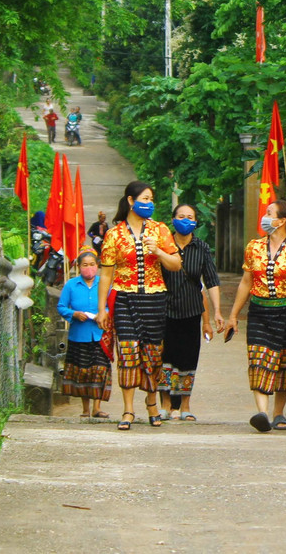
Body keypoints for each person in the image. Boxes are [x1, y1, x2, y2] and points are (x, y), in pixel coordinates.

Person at [95, 180, 182, 431]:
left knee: (153, 353)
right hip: (124, 297)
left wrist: (159, 252)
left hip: (154, 298)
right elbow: (106, 275)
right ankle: (128, 409)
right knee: (128, 350)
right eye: (144, 199)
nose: (149, 203)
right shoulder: (114, 235)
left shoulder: (160, 230)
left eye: (151, 199)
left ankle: (152, 403)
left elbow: (175, 264)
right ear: (131, 201)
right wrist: (102, 308)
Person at [225, 200, 286, 433]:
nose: (264, 218)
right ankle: (262, 413)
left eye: (269, 214)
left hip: (285, 310)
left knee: (285, 362)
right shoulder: (254, 247)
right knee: (258, 359)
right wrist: (233, 315)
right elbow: (246, 282)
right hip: (258, 310)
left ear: (282, 221)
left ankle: (278, 413)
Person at [158, 203, 223, 421]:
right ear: (173, 219)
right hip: (164, 310)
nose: (186, 220)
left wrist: (215, 314)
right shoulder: (163, 246)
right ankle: (166, 404)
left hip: (192, 311)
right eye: (181, 216)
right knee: (165, 358)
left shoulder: (202, 248)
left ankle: (185, 405)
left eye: (190, 216)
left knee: (188, 358)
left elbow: (211, 282)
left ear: (196, 221)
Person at [58, 247, 112, 418]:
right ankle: (85, 409)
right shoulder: (71, 285)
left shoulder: (104, 284)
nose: (88, 268)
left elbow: (112, 306)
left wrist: (104, 314)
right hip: (78, 335)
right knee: (82, 371)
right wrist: (73, 314)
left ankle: (97, 407)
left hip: (99, 335)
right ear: (78, 267)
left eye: (92, 264)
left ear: (97, 266)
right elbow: (61, 307)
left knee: (99, 369)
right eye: (84, 265)